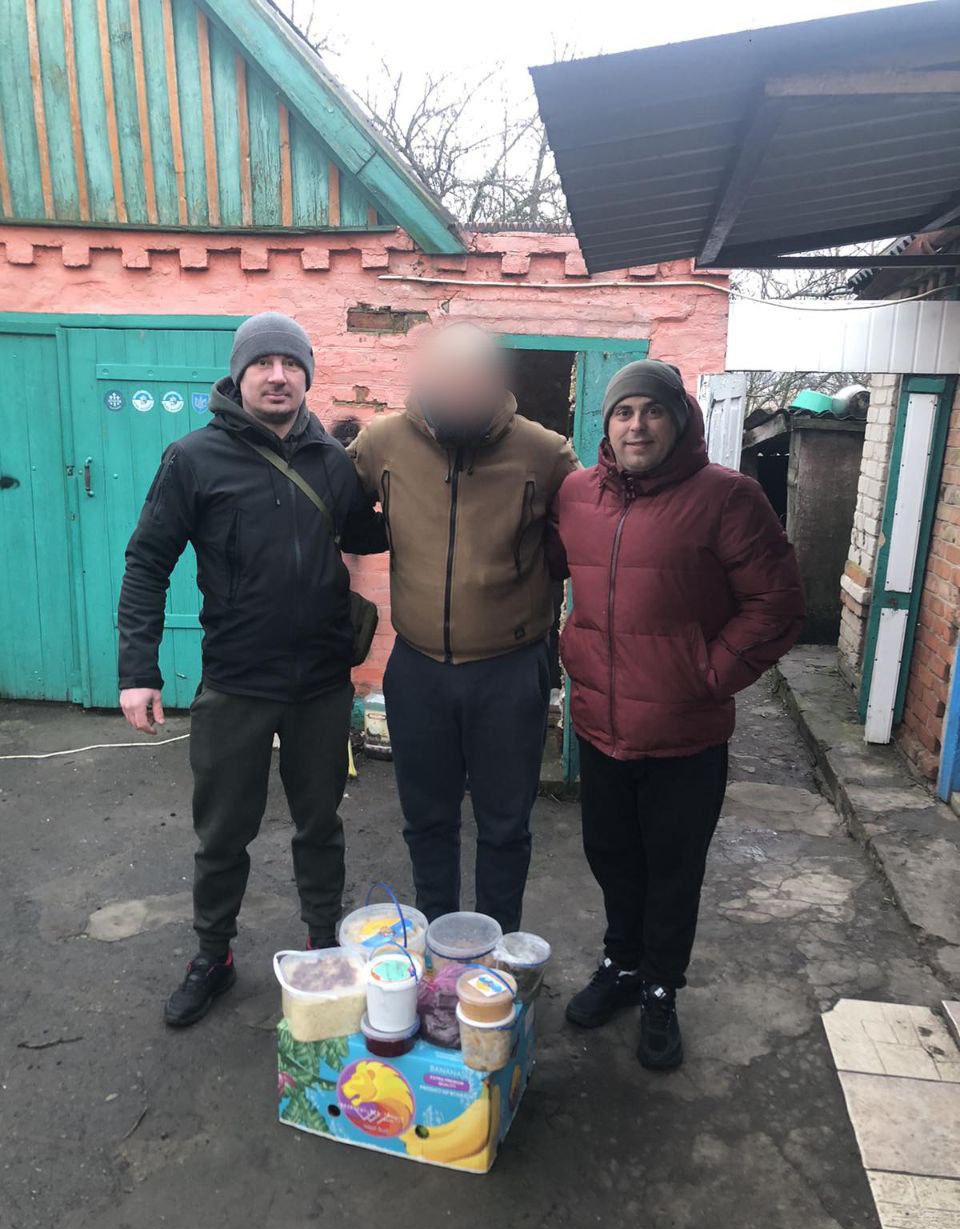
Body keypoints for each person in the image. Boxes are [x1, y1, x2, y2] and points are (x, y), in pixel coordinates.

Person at [117, 312, 386, 1028]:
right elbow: (147, 562)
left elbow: (370, 532)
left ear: (307, 377)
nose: (277, 376)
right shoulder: (193, 458)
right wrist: (138, 669)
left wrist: (419, 476)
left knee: (320, 824)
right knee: (222, 833)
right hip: (236, 682)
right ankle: (214, 955)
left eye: (291, 364)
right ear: (239, 375)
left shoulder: (331, 462)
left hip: (320, 682)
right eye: (262, 363)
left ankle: (323, 942)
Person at [553, 359, 804, 1069]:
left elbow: (778, 604)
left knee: (672, 869)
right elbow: (545, 569)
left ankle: (661, 988)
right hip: (601, 726)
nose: (637, 425)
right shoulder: (576, 495)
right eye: (623, 412)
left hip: (684, 735)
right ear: (606, 425)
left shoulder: (728, 497)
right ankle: (622, 965)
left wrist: (709, 675)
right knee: (611, 858)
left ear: (680, 419)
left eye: (653, 410)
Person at [349, 322, 579, 932]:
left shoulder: (545, 452)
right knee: (427, 821)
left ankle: (495, 949)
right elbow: (332, 507)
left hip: (511, 671)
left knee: (505, 825)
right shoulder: (382, 442)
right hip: (418, 668)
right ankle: (439, 940)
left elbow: (589, 535)